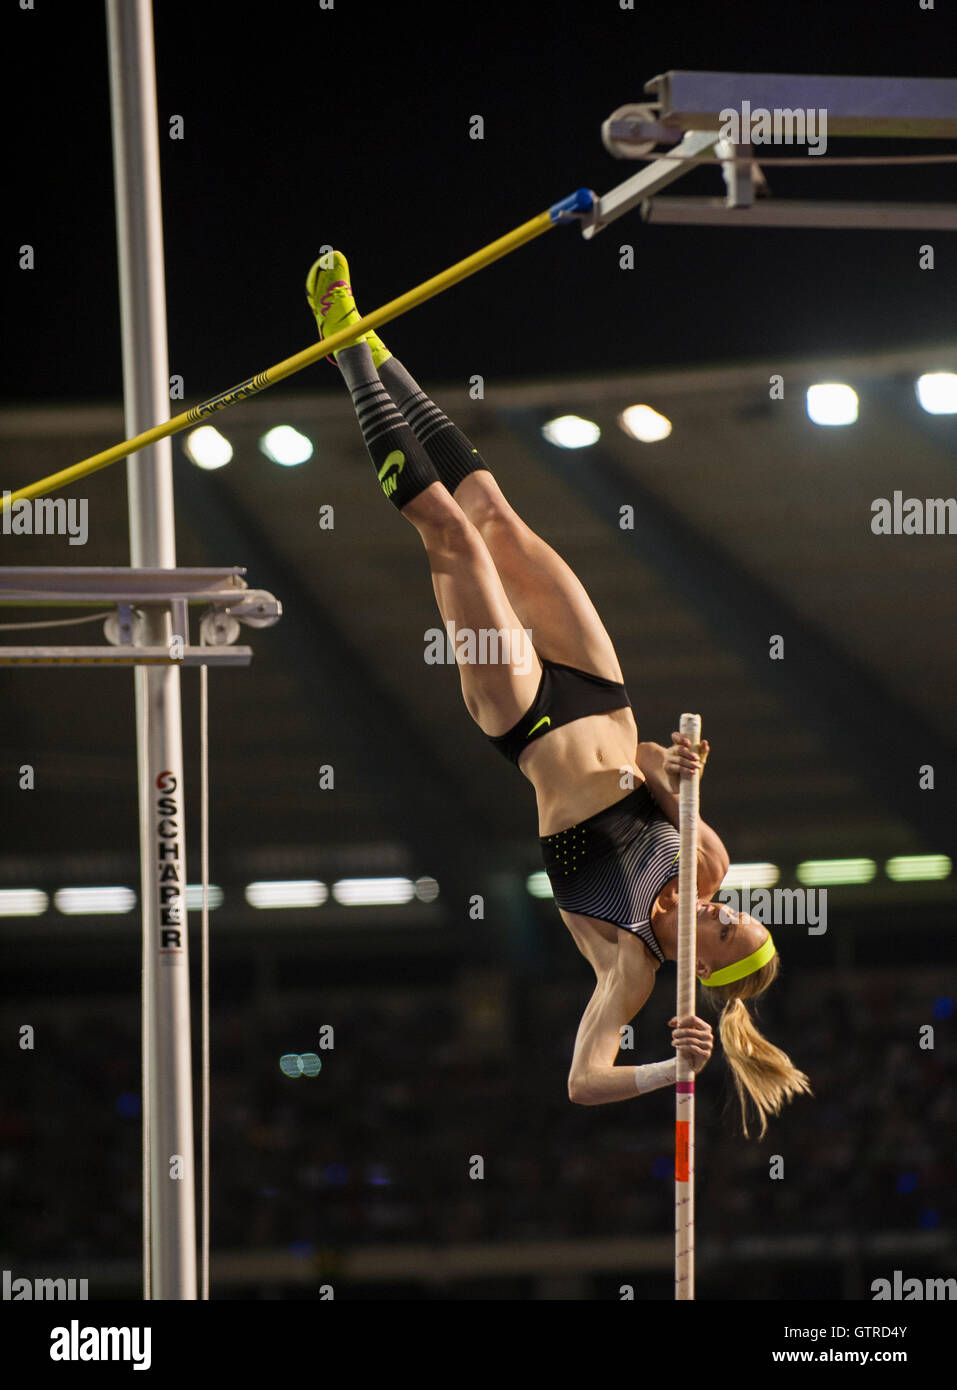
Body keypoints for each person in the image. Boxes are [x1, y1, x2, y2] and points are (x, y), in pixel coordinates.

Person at [306, 251, 811, 1138]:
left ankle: (343, 350)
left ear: (702, 969)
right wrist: (680, 765)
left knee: (452, 539)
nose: (721, 909)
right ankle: (376, 349)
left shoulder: (629, 970)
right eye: (734, 914)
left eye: (723, 931)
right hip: (598, 688)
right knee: (499, 514)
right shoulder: (706, 864)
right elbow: (650, 761)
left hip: (527, 722)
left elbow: (582, 1080)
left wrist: (670, 1068)